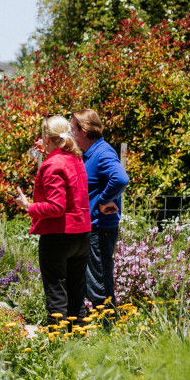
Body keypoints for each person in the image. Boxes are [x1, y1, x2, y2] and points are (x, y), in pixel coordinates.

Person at [14, 115, 91, 330]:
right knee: (77, 295)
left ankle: (58, 349)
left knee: (56, 294)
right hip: (82, 234)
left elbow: (56, 207)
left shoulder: (51, 166)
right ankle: (80, 345)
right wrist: (49, 151)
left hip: (59, 237)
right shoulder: (76, 158)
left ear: (48, 138)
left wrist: (27, 206)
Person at [70, 109, 129, 322]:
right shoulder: (90, 152)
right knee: (93, 284)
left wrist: (104, 200)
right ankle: (105, 329)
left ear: (84, 131)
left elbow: (121, 178)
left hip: (101, 229)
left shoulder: (103, 152)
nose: (71, 133)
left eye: (73, 129)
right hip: (92, 228)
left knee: (100, 285)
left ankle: (109, 332)